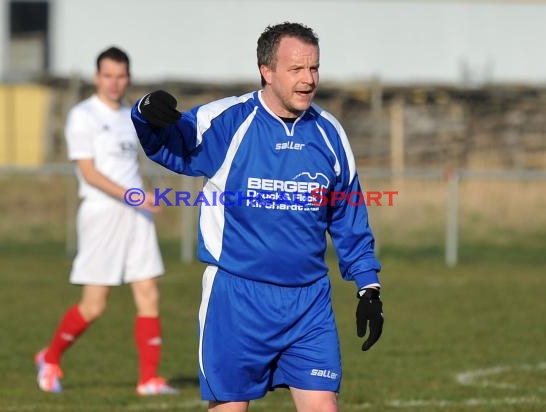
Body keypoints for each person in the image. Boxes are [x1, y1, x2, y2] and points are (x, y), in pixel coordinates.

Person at [131, 22, 384, 411]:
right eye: (296, 69)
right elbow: (172, 140)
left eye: (314, 68)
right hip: (237, 300)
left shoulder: (329, 133)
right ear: (267, 71)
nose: (309, 79)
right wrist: (147, 114)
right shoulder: (228, 121)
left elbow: (348, 216)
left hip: (309, 302)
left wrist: (368, 286)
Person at [34, 46, 178, 396]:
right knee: (94, 305)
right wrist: (133, 195)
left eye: (121, 76)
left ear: (128, 77)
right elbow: (89, 173)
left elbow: (137, 167)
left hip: (136, 215)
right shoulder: (83, 116)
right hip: (102, 214)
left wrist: (150, 191)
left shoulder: (132, 117)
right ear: (98, 77)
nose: (115, 83)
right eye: (108, 76)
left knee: (148, 293)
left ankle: (148, 380)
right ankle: (50, 359)